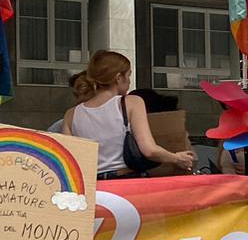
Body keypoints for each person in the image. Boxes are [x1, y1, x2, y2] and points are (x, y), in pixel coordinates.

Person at [63, 49, 195, 178]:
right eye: (129, 75)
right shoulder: (131, 102)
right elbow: (149, 150)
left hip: (92, 185)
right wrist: (176, 158)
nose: (130, 81)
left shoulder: (71, 114)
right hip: (126, 180)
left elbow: (68, 159)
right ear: (119, 78)